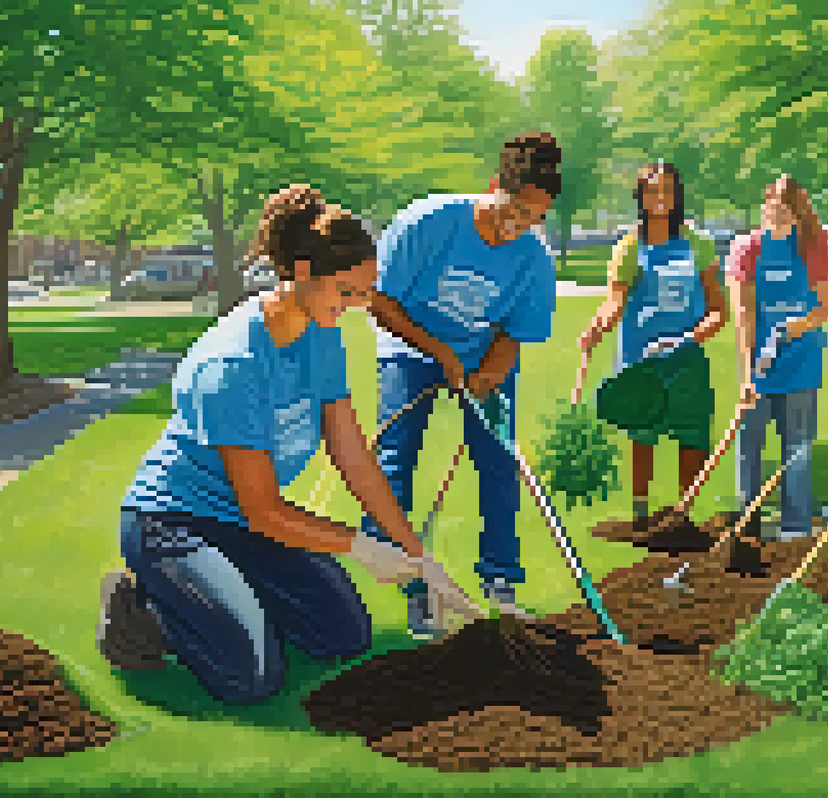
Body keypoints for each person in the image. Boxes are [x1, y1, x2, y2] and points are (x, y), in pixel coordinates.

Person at [98, 185, 477, 703]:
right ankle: (140, 609)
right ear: (301, 271)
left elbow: (351, 454)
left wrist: (417, 556)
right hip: (173, 524)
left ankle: (229, 600)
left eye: (364, 292)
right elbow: (263, 511)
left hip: (244, 524)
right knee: (252, 676)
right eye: (346, 291)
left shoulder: (322, 332)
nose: (357, 306)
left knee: (343, 636)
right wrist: (361, 546)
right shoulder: (232, 364)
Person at [362, 133, 561, 637]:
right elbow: (380, 302)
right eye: (515, 210)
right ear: (494, 187)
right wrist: (442, 353)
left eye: (534, 218)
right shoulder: (427, 221)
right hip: (407, 347)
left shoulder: (534, 258)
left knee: (497, 460)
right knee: (396, 457)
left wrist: (487, 375)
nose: (519, 226)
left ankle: (500, 582)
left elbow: (516, 332)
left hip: (482, 354)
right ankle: (415, 584)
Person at [577, 161, 727, 540]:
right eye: (652, 190)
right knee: (642, 433)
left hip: (687, 359)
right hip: (641, 359)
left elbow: (718, 310)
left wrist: (689, 339)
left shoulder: (698, 242)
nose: (660, 198)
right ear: (641, 197)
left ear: (678, 195)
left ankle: (682, 515)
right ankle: (641, 515)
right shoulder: (629, 246)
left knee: (692, 434)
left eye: (667, 190)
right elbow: (615, 301)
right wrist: (598, 326)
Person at [725, 174, 828, 566]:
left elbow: (823, 308)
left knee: (797, 445)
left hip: (801, 362)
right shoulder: (747, 249)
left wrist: (790, 329)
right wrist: (748, 373)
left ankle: (796, 525)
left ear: (798, 213)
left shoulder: (814, 247)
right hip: (759, 367)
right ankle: (748, 525)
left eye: (785, 208)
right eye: (772, 206)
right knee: (748, 446)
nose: (777, 213)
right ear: (763, 207)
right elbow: (743, 312)